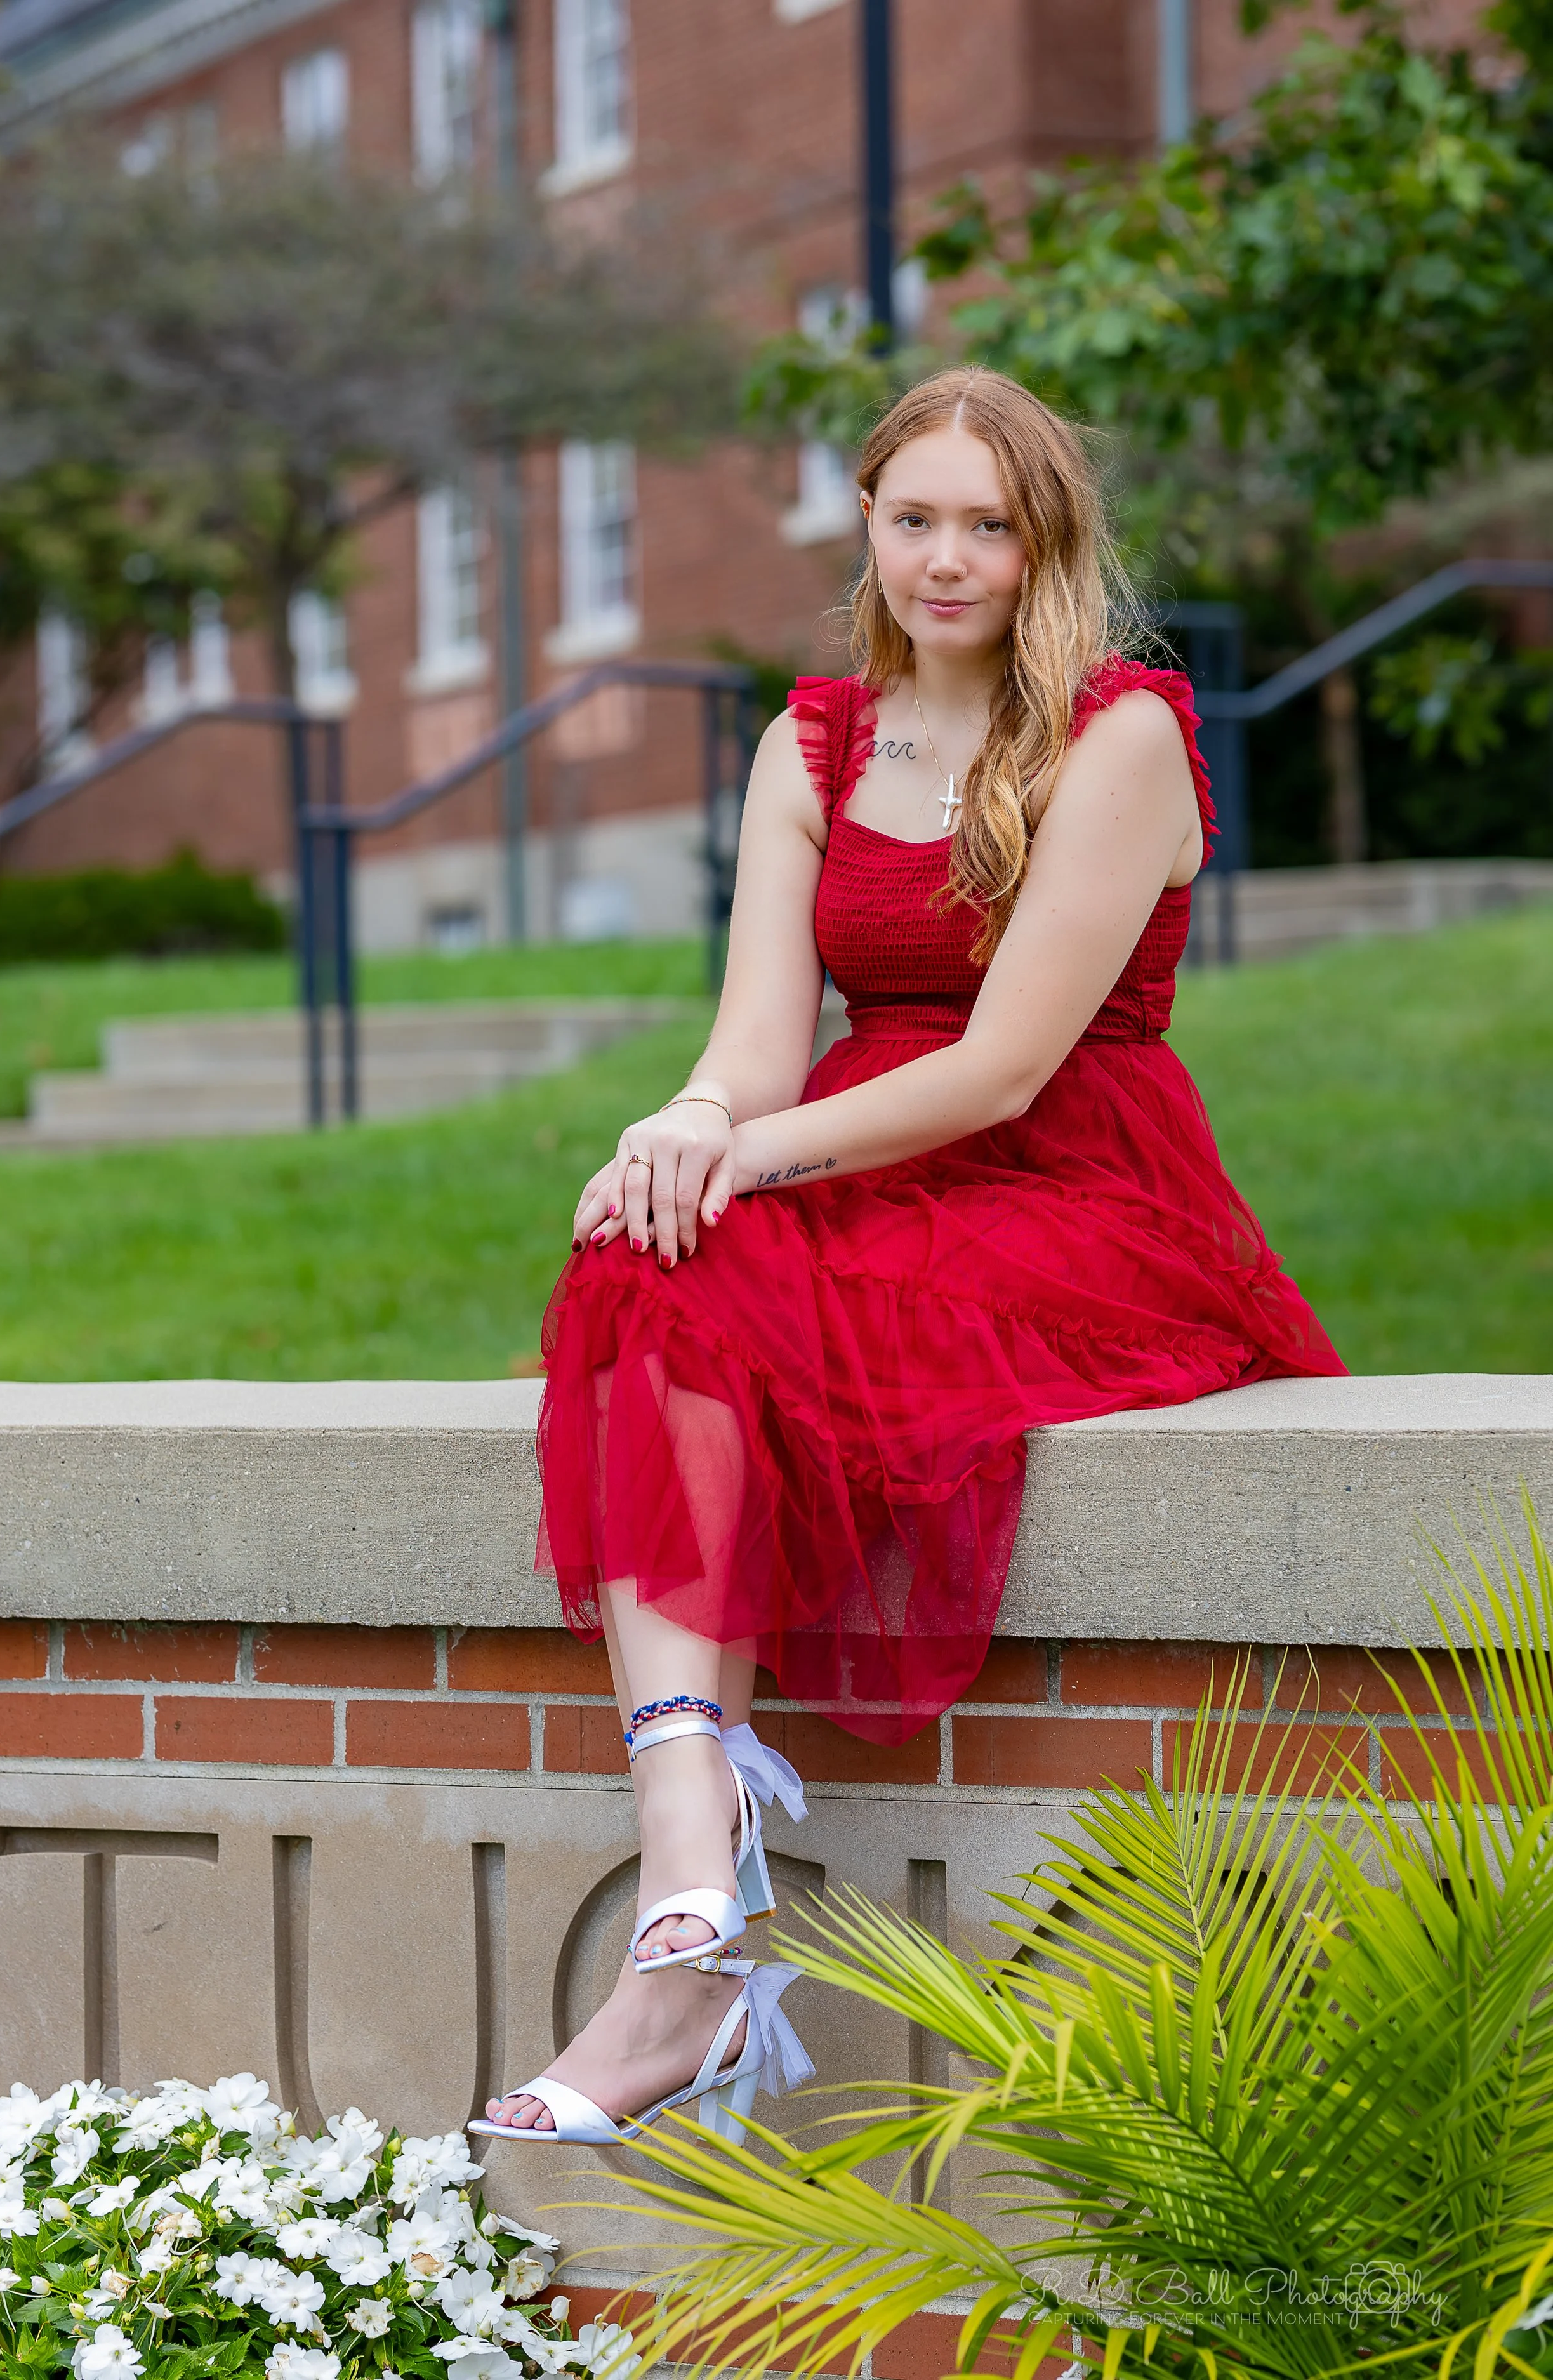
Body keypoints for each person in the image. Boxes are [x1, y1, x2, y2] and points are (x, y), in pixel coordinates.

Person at [475, 365, 1344, 2149]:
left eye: (988, 525)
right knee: (644, 1270)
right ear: (863, 523)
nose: (947, 558)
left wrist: (740, 1155)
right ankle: (690, 1910)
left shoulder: (1119, 732)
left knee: (707, 1261)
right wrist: (682, 1124)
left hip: (1070, 1178)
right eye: (913, 517)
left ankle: (681, 1970)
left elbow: (1001, 1064)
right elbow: (749, 1046)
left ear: (1045, 546)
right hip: (853, 1154)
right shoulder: (808, 741)